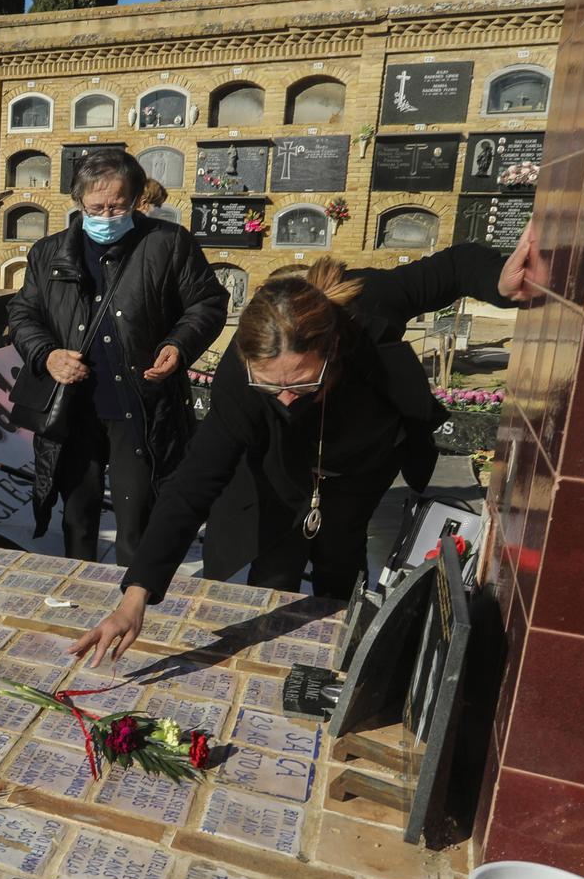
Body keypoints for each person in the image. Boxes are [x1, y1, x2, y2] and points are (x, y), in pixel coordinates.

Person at [68, 230, 542, 665]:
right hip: (284, 473)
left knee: (341, 564)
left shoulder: (366, 304)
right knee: (275, 571)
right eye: (271, 387)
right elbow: (193, 485)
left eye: (302, 382)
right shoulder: (242, 376)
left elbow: (454, 267)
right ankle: (268, 665)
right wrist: (135, 597)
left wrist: (497, 283)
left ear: (332, 348)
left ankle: (336, 657)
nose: (287, 399)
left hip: (361, 466)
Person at [7, 150, 228, 562]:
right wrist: (48, 354)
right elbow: (22, 313)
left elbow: (209, 303)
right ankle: (79, 603)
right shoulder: (48, 252)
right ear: (78, 202)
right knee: (77, 521)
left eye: (118, 205)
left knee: (135, 526)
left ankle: (129, 609)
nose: (107, 215)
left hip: (140, 409)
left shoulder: (167, 243)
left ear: (137, 199)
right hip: (73, 410)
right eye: (96, 207)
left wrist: (178, 345)